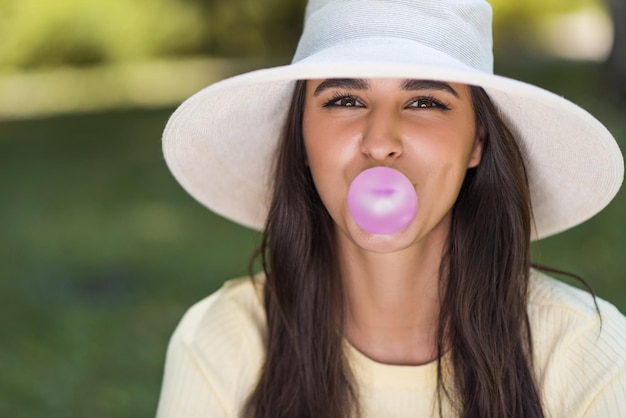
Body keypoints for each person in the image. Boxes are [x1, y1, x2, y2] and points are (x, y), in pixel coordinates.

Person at [156, 0, 626, 417]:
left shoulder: (588, 354)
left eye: (424, 101)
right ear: (300, 137)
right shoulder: (220, 342)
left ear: (477, 141)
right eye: (344, 100)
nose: (380, 142)